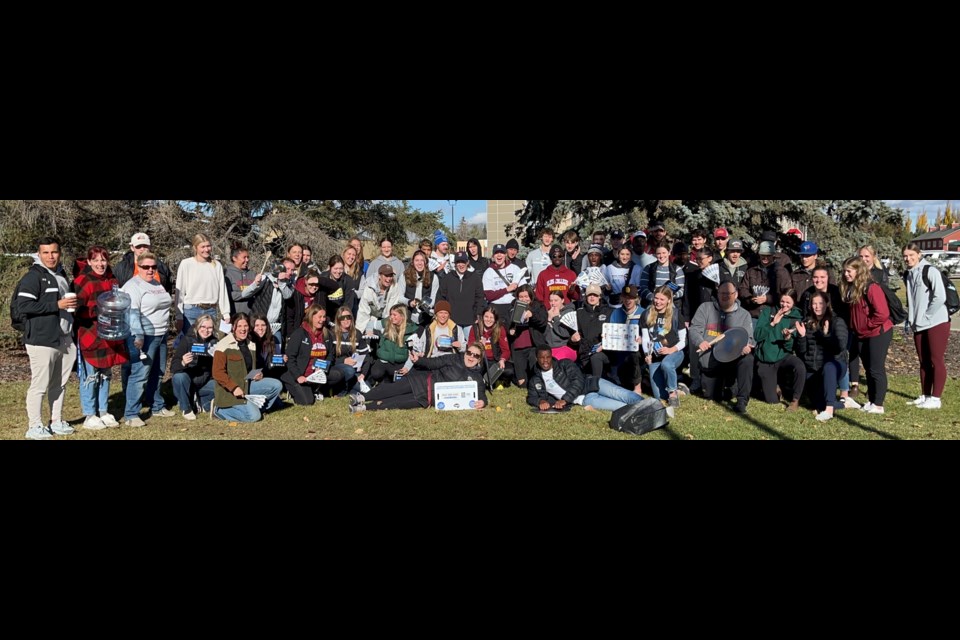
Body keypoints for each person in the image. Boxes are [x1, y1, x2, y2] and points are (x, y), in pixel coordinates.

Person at [18, 236, 79, 439]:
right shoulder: (32, 277)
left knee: (59, 384)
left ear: (59, 253)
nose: (50, 256)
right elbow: (23, 307)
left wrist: (69, 308)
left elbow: (63, 304)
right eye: (46, 252)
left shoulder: (60, 274)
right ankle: (34, 426)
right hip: (41, 339)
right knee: (40, 385)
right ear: (39, 254)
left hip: (64, 338)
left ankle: (56, 421)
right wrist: (56, 305)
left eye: (54, 252)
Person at [72, 245, 128, 429]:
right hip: (91, 334)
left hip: (111, 334)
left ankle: (103, 411)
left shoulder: (112, 280)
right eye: (95, 260)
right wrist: (96, 310)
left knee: (106, 374)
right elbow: (76, 309)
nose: (100, 264)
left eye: (103, 259)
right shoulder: (83, 280)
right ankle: (89, 414)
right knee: (91, 376)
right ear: (88, 262)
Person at [347, 342, 488, 412]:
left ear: (479, 359)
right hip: (423, 380)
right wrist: (418, 360)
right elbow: (433, 362)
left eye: (476, 355)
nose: (471, 357)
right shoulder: (453, 358)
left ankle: (364, 408)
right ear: (466, 352)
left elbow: (482, 395)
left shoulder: (476, 377)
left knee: (398, 403)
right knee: (394, 389)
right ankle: (362, 398)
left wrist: (482, 402)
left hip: (428, 398)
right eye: (469, 353)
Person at [121, 250, 175, 427]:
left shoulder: (156, 283)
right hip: (144, 337)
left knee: (158, 373)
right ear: (138, 266)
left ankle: (157, 406)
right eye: (146, 267)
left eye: (153, 267)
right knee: (140, 375)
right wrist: (139, 336)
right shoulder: (133, 286)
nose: (150, 270)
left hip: (161, 334)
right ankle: (131, 413)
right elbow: (132, 314)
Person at [688, 281, 756, 414]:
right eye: (722, 293)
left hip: (733, 359)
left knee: (748, 360)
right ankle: (727, 388)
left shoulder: (744, 315)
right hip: (711, 359)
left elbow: (749, 338)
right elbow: (694, 329)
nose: (725, 296)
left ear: (736, 295)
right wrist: (700, 341)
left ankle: (742, 401)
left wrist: (746, 346)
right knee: (713, 396)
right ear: (717, 293)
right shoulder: (705, 308)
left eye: (729, 294)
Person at [841, 256, 892, 414]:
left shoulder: (871, 288)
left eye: (849, 271)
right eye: (844, 271)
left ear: (858, 271)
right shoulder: (851, 288)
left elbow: (882, 313)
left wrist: (867, 325)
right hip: (862, 334)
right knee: (869, 368)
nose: (846, 274)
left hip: (878, 332)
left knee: (876, 368)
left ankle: (878, 404)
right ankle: (871, 401)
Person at [902, 242, 950, 410]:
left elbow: (940, 297)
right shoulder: (908, 274)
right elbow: (912, 300)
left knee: (936, 359)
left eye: (911, 255)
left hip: (937, 321)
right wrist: (912, 319)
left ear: (919, 254)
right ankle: (925, 395)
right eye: (905, 256)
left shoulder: (930, 271)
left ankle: (936, 399)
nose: (908, 259)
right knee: (923, 361)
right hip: (919, 324)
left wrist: (927, 316)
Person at [526, 346, 645, 412]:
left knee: (625, 395)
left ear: (552, 356)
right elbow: (531, 396)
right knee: (620, 406)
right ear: (537, 358)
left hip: (592, 384)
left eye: (548, 357)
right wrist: (540, 402)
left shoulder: (564, 364)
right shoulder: (535, 379)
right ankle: (647, 412)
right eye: (542, 358)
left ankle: (655, 408)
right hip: (585, 400)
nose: (545, 361)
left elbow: (578, 381)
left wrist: (565, 399)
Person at [210, 313, 282, 421]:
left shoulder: (251, 344)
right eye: (239, 326)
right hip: (230, 390)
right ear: (233, 327)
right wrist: (234, 388)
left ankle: (256, 408)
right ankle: (218, 411)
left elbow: (248, 369)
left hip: (247, 385)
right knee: (254, 417)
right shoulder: (223, 345)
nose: (243, 329)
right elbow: (217, 373)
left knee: (276, 385)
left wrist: (256, 374)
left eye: (245, 326)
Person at [794, 292, 849, 422]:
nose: (817, 307)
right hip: (813, 369)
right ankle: (844, 403)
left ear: (827, 304)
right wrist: (801, 337)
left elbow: (839, 348)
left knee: (829, 366)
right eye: (814, 304)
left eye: (820, 303)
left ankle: (829, 410)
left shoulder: (837, 321)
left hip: (835, 366)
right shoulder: (807, 322)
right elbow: (801, 352)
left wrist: (826, 335)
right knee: (817, 404)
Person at [752, 289, 806, 410]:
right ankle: (774, 387)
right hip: (766, 358)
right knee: (772, 401)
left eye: (788, 302)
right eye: (782, 301)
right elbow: (757, 336)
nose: (784, 305)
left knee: (799, 366)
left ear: (794, 303)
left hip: (783, 356)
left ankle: (795, 400)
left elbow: (790, 348)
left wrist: (787, 339)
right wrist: (772, 323)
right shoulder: (768, 312)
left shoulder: (796, 318)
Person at [282, 305, 343, 405]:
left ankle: (315, 388)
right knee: (307, 401)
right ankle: (298, 390)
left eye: (324, 317)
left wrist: (323, 367)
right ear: (311, 317)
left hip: (316, 373)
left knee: (338, 375)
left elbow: (330, 355)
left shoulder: (327, 334)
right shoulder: (299, 333)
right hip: (300, 375)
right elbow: (290, 357)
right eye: (319, 317)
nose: (322, 320)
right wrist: (298, 376)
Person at [175, 233, 231, 339]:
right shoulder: (186, 264)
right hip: (191, 311)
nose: (206, 249)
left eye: (208, 246)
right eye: (203, 247)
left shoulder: (216, 265)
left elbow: (222, 291)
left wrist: (226, 313)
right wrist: (179, 315)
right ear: (195, 248)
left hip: (211, 311)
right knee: (190, 344)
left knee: (208, 346)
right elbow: (180, 292)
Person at [641, 286, 687, 409]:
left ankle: (673, 393)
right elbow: (646, 339)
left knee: (666, 365)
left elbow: (684, 340)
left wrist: (671, 350)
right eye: (656, 298)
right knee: (659, 397)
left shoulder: (676, 315)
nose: (658, 302)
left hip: (675, 353)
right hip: (656, 356)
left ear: (668, 300)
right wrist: (647, 354)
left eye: (662, 299)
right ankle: (678, 388)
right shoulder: (646, 314)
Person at [170, 313, 218, 419]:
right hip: (187, 381)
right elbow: (173, 367)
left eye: (210, 327)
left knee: (221, 386)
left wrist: (217, 358)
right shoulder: (186, 340)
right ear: (197, 326)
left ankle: (203, 403)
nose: (206, 330)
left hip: (205, 382)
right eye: (203, 327)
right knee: (179, 376)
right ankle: (186, 408)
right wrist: (183, 362)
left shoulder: (215, 343)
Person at [738, 241, 791, 322]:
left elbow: (786, 293)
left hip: (773, 316)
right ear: (759, 255)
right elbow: (743, 289)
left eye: (768, 255)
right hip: (753, 315)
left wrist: (767, 299)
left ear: (773, 255)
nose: (765, 258)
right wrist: (750, 298)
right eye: (763, 255)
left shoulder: (782, 272)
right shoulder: (751, 271)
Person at [507, 285, 548, 388]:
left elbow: (543, 322)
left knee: (535, 376)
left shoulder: (538, 306)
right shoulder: (512, 307)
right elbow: (506, 323)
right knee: (522, 384)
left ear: (531, 296)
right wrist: (510, 330)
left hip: (533, 346)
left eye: (526, 296)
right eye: (521, 297)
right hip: (517, 347)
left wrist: (532, 315)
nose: (524, 299)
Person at [366, 304, 417, 385]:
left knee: (399, 382)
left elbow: (413, 353)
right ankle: (380, 381)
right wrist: (369, 330)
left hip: (399, 363)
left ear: (402, 316)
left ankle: (389, 383)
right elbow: (370, 324)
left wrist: (407, 367)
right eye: (391, 314)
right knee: (376, 373)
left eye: (394, 315)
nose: (391, 317)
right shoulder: (386, 323)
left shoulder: (411, 332)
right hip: (384, 361)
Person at [437, 251, 485, 337]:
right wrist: (442, 315)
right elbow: (441, 297)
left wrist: (478, 314)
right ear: (455, 264)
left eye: (463, 262)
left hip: (470, 321)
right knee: (454, 347)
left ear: (467, 263)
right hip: (452, 321)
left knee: (470, 347)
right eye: (458, 262)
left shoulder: (475, 278)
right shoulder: (447, 278)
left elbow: (480, 298)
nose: (461, 265)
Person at [608, 284, 645, 394]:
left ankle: (637, 387)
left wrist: (642, 339)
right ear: (622, 298)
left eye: (631, 298)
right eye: (625, 297)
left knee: (635, 356)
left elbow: (649, 333)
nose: (628, 301)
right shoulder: (616, 313)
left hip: (637, 350)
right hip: (619, 350)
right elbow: (612, 329)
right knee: (618, 382)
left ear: (636, 299)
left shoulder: (643, 313)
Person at [573, 284, 612, 379]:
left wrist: (605, 344)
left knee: (596, 358)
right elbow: (575, 334)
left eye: (595, 295)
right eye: (590, 295)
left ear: (600, 296)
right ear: (586, 297)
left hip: (604, 352)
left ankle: (596, 385)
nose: (592, 297)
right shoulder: (579, 313)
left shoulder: (609, 312)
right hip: (585, 353)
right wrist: (572, 339)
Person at [469, 307, 514, 387]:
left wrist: (502, 360)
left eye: (491, 317)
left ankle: (499, 381)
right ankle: (485, 381)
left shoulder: (499, 329)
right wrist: (478, 345)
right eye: (486, 317)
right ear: (482, 317)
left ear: (495, 319)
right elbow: (470, 347)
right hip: (480, 360)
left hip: (495, 360)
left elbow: (506, 350)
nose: (488, 320)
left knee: (509, 371)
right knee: (475, 373)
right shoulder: (475, 328)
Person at [329, 308, 371, 395]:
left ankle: (348, 388)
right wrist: (343, 361)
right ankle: (341, 390)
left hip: (355, 370)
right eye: (342, 318)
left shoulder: (357, 333)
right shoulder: (331, 334)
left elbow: (366, 357)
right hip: (336, 368)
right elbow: (328, 358)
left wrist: (363, 374)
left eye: (348, 317)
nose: (346, 320)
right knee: (349, 370)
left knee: (367, 390)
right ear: (338, 319)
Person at [483, 243, 529, 320]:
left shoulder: (515, 268)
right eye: (496, 253)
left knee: (513, 331)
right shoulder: (488, 272)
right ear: (493, 256)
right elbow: (488, 295)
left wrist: (517, 288)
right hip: (496, 307)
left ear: (505, 255)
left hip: (513, 305)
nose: (499, 255)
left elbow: (524, 290)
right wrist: (507, 289)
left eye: (501, 253)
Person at [357, 264, 404, 338]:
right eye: (386, 276)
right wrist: (360, 332)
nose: (389, 279)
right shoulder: (369, 289)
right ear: (379, 276)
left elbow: (391, 309)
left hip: (385, 318)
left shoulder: (394, 287)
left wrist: (384, 326)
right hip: (371, 317)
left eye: (391, 276)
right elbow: (363, 312)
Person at [400, 250, 440, 326]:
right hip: (408, 314)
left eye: (422, 260)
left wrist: (426, 306)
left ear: (426, 262)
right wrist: (409, 302)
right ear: (412, 262)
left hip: (426, 316)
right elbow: (399, 296)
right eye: (417, 260)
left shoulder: (434, 277)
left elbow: (434, 297)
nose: (419, 263)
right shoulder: (404, 276)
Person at [224, 246, 264, 316]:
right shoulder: (227, 274)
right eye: (244, 257)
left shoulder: (252, 274)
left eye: (248, 257)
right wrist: (245, 293)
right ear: (234, 258)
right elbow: (228, 295)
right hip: (234, 316)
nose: (247, 260)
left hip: (251, 316)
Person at [544, 291, 578, 362]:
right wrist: (549, 320)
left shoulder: (568, 312)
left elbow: (564, 333)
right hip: (550, 348)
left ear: (562, 300)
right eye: (551, 301)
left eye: (556, 300)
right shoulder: (548, 313)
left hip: (565, 347)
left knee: (555, 361)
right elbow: (545, 336)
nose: (553, 303)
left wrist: (556, 318)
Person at [251, 313, 286, 379]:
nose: (260, 328)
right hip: (253, 376)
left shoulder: (272, 339)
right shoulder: (249, 341)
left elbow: (273, 359)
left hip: (267, 373)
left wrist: (282, 359)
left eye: (263, 325)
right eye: (257, 325)